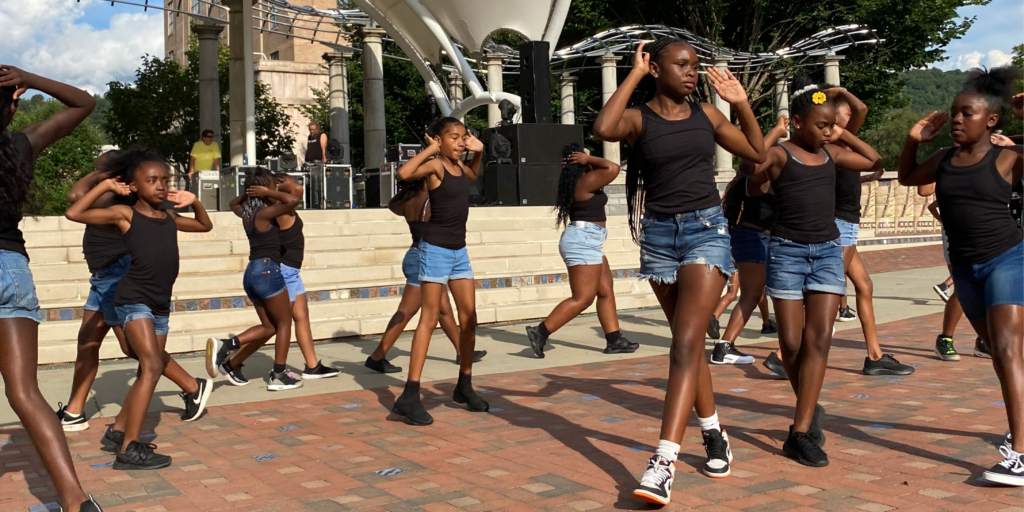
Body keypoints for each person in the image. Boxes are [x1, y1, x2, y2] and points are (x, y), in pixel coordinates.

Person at [593, 39, 768, 505]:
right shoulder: (638, 118)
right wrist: (633, 72)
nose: (692, 73)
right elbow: (604, 126)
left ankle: (663, 461)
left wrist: (741, 103)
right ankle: (713, 432)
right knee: (686, 345)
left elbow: (758, 152)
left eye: (695, 66)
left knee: (687, 343)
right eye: (682, 65)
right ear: (657, 68)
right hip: (657, 238)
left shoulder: (707, 116)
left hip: (706, 231)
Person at [746, 75, 883, 469]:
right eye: (821, 124)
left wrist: (843, 134)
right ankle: (810, 405)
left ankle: (800, 431)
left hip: (827, 251)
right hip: (786, 253)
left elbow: (875, 162)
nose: (827, 131)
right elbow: (754, 182)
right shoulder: (781, 154)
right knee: (791, 345)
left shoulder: (832, 155)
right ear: (799, 122)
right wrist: (759, 168)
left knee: (818, 339)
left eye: (831, 125)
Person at [898, 69, 1023, 486]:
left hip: (1007, 259)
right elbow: (907, 177)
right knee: (1000, 351)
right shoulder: (944, 160)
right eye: (953, 112)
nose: (955, 119)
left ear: (990, 120)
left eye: (965, 113)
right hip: (965, 269)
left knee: (1006, 348)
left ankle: (1020, 453)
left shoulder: (1008, 156)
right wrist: (914, 140)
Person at [65, 149, 214, 471]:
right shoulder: (124, 213)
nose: (161, 186)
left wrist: (195, 201)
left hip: (160, 303)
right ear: (133, 185)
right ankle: (130, 447)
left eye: (165, 180)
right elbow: (74, 212)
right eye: (152, 180)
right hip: (133, 298)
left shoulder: (168, 216)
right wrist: (106, 186)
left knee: (152, 367)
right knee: (149, 366)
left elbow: (205, 226)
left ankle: (120, 431)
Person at [0, 65, 104, 512]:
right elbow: (84, 103)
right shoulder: (20, 146)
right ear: (10, 106)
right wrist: (29, 77)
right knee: (24, 391)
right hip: (11, 267)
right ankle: (75, 501)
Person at [392, 117, 489, 426]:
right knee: (429, 319)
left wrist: (480, 151)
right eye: (454, 138)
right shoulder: (435, 166)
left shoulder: (461, 168)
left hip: (459, 252)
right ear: (438, 140)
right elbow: (404, 172)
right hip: (433, 249)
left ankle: (464, 385)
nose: (461, 142)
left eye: (464, 137)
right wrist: (430, 149)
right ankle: (410, 394)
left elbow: (473, 175)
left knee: (469, 317)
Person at [205, 174, 339, 381]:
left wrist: (259, 191)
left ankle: (312, 366)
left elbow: (236, 203)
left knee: (300, 317)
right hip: (279, 271)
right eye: (288, 181)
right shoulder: (275, 209)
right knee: (277, 326)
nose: (295, 183)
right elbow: (296, 193)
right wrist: (269, 189)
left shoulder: (262, 210)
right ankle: (244, 364)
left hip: (285, 270)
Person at [828, 88, 914, 376]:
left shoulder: (843, 145)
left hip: (846, 222)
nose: (852, 117)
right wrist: (839, 92)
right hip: (840, 223)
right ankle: (782, 353)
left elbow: (843, 179)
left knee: (864, 286)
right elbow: (862, 110)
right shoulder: (833, 143)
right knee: (828, 291)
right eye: (845, 113)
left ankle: (875, 355)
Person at [526, 144, 638, 357]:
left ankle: (614, 340)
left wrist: (586, 161)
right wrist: (589, 159)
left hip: (590, 239)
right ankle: (540, 332)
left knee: (605, 290)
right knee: (583, 298)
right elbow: (613, 168)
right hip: (583, 241)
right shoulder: (584, 182)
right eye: (583, 156)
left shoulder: (581, 181)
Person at [365, 179, 486, 373]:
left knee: (444, 309)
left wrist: (406, 188)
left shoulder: (408, 201)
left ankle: (462, 352)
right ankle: (377, 357)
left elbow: (391, 205)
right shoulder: (431, 201)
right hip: (425, 258)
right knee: (405, 312)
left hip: (416, 255)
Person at [207, 168, 303, 391]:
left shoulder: (247, 216)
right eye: (270, 185)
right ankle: (279, 374)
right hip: (267, 272)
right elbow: (291, 200)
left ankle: (228, 345)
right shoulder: (264, 214)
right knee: (284, 323)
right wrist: (266, 192)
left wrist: (248, 194)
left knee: (269, 327)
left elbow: (233, 204)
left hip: (251, 273)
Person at [714, 115, 790, 367]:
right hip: (754, 238)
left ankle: (725, 346)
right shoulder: (758, 179)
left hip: (756, 239)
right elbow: (754, 159)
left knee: (753, 294)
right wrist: (776, 132)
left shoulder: (764, 180)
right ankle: (725, 347)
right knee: (751, 294)